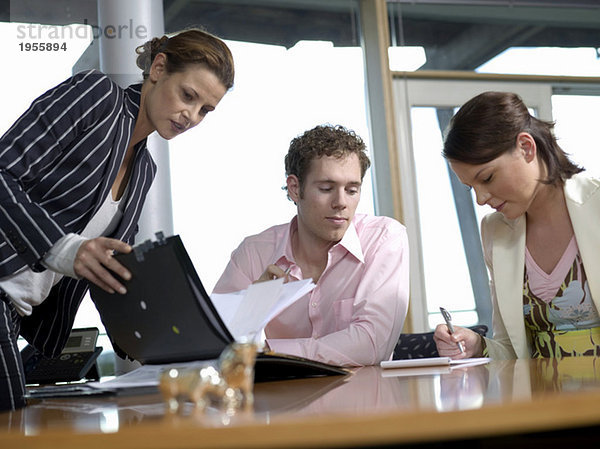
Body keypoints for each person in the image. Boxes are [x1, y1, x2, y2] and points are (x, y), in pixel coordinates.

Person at [0, 28, 234, 410]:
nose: (191, 115)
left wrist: (181, 342)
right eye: (188, 96)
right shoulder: (96, 97)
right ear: (158, 68)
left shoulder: (144, 171)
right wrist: (63, 248)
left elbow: (113, 270)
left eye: (205, 110)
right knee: (11, 425)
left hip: (13, 312)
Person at [213, 124, 409, 367]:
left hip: (362, 402)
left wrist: (271, 353)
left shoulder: (384, 239)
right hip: (281, 401)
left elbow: (372, 343)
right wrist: (252, 308)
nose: (341, 203)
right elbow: (217, 347)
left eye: (351, 190)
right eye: (326, 189)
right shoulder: (254, 253)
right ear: (295, 189)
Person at [433, 91, 600, 360]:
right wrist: (478, 345)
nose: (480, 199)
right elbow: (513, 350)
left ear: (526, 147)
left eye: (486, 178)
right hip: (538, 403)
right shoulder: (494, 230)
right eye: (470, 188)